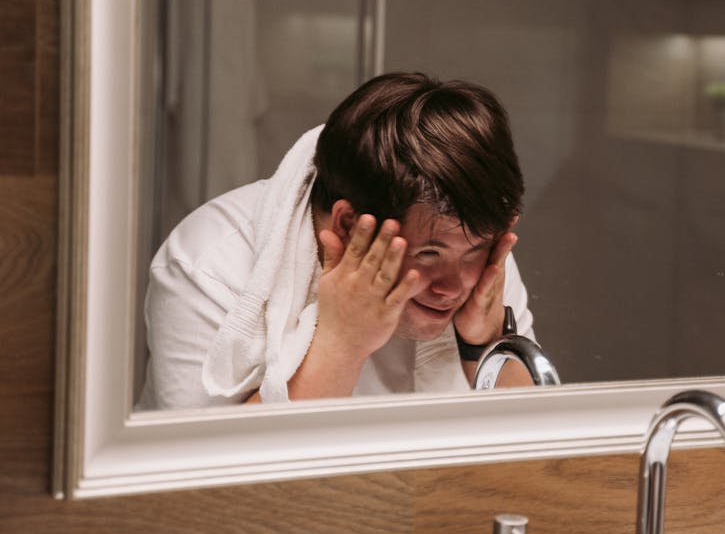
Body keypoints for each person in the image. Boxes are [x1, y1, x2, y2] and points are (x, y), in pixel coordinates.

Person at [138, 71, 535, 410]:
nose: (454, 286)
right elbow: (204, 483)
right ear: (348, 225)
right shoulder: (207, 265)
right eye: (428, 254)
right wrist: (341, 343)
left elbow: (538, 451)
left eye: (475, 249)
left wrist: (484, 343)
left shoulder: (469, 247)